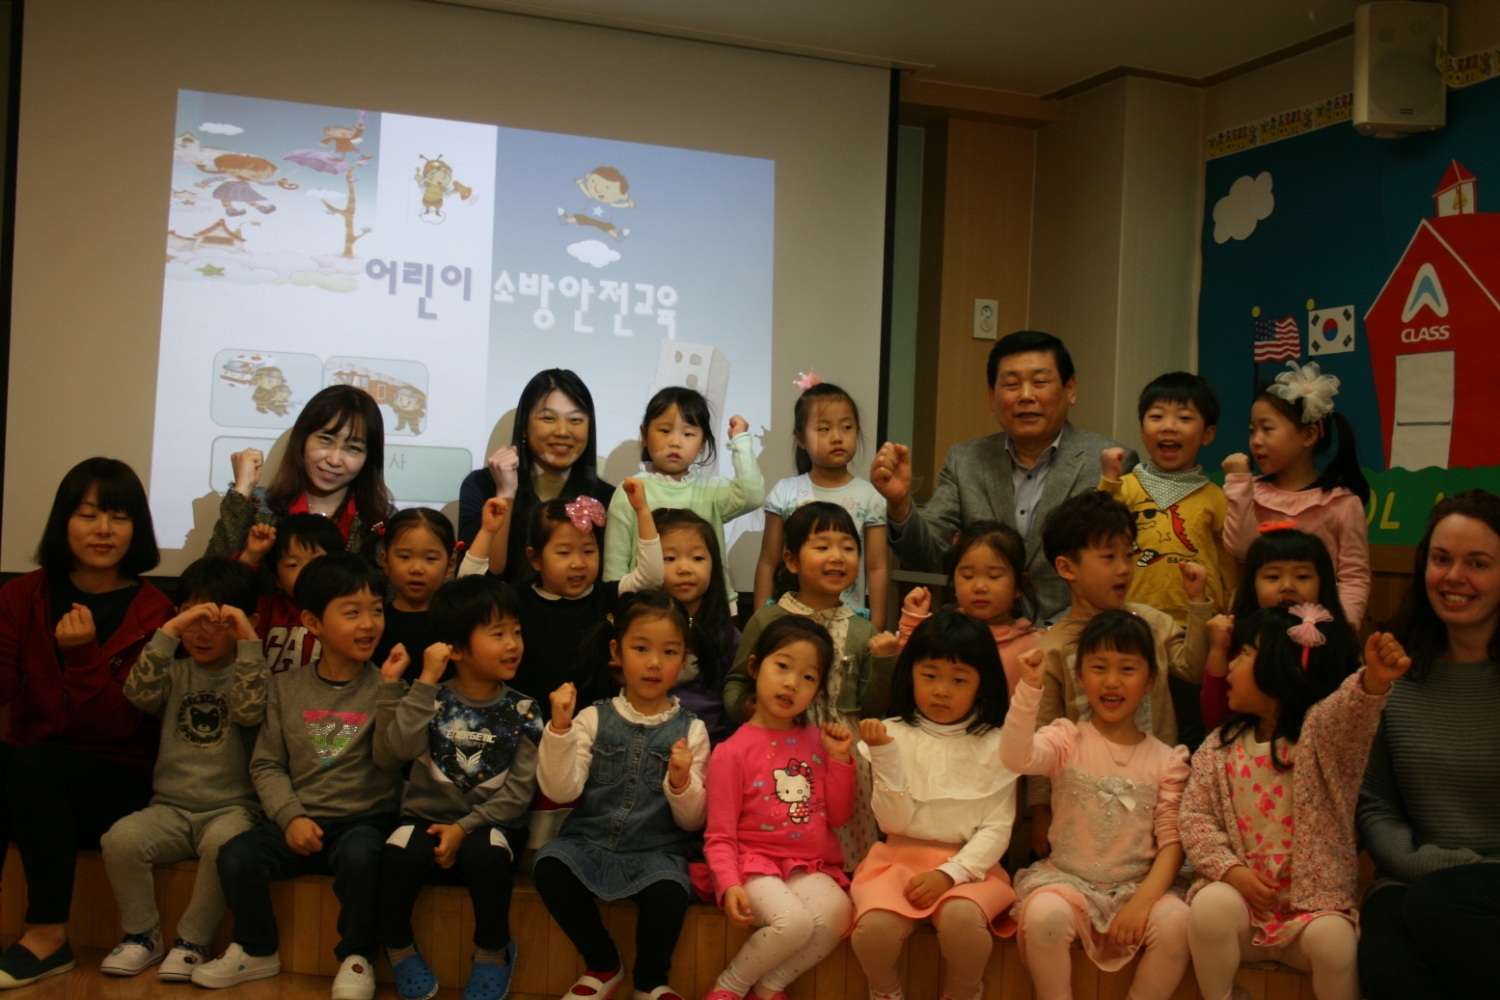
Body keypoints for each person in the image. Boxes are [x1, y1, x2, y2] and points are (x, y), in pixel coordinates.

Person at [195, 553, 404, 1000]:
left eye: (376, 610)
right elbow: (266, 764)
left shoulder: (387, 687)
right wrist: (290, 818)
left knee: (362, 859)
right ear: (312, 622)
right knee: (236, 855)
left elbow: (390, 761)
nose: (369, 624)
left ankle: (358, 956)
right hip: (301, 819)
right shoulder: (285, 686)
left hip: (365, 820)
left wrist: (389, 692)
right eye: (352, 612)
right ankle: (255, 948)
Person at [0, 458, 175, 989]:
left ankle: (48, 936)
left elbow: (119, 725)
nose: (103, 530)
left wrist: (82, 656)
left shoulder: (156, 613)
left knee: (37, 766)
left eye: (119, 517)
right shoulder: (22, 595)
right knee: (23, 765)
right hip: (33, 773)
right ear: (64, 521)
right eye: (88, 514)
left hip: (116, 779)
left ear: (137, 528)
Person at [1181, 607, 1410, 1000]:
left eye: (1243, 655)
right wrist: (1231, 872)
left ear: (1279, 670)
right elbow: (1195, 818)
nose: (1230, 665)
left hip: (1311, 917)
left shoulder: (1322, 736)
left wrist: (1373, 679)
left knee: (1335, 942)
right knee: (1208, 908)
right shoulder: (1218, 747)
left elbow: (1350, 712)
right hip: (1244, 915)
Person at [871, 330, 1136, 625]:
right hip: (981, 636)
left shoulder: (1111, 462)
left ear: (1070, 389)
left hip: (1075, 636)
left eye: (1040, 382)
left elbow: (1121, 568)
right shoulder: (966, 461)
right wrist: (899, 504)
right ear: (992, 396)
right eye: (1011, 385)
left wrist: (1055, 634)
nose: (1025, 396)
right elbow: (922, 553)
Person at [1002, 612, 1191, 1000]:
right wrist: (1029, 690)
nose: (1112, 680)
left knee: (1179, 924)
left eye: (1127, 669)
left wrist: (1142, 903)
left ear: (1150, 679)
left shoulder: (1168, 760)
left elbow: (1173, 842)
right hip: (1066, 884)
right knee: (1045, 918)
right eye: (1099, 667)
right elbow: (1015, 757)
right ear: (1081, 677)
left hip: (1137, 889)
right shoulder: (1066, 738)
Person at [1356, 490, 1500, 1000]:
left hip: (1484, 889)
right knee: (1384, 966)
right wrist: (1420, 864)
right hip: (1412, 877)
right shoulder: (1392, 670)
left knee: (1440, 906)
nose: (1454, 577)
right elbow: (1374, 803)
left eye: (1477, 563)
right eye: (1442, 559)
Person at [532, 591, 710, 1000]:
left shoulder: (693, 730)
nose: (654, 663)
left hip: (655, 852)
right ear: (616, 651)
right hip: (589, 843)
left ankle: (650, 981)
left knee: (671, 890)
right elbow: (560, 790)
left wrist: (681, 782)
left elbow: (692, 821)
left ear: (684, 659)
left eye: (669, 652)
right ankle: (603, 964)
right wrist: (559, 729)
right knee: (549, 865)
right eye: (641, 648)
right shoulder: (592, 716)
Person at [99, 557, 267, 981]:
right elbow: (138, 694)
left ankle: (193, 940)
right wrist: (171, 630)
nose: (203, 632)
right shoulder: (174, 672)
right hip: (170, 808)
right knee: (120, 840)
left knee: (224, 845)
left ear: (247, 624)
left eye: (218, 622)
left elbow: (250, 712)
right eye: (193, 619)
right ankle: (142, 936)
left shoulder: (253, 673)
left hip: (231, 809)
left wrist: (248, 641)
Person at [375, 576, 540, 1000]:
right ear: (457, 648)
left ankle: (493, 952)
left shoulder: (524, 709)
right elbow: (398, 749)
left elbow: (518, 794)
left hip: (491, 826)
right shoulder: (430, 699)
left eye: (516, 631)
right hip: (425, 819)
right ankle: (397, 945)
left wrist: (463, 828)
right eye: (498, 634)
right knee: (397, 852)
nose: (513, 644)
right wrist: (425, 682)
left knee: (485, 854)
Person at [1026, 491, 1209, 856]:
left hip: (1153, 789)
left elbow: (1192, 668)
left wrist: (1198, 604)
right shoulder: (1053, 646)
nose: (1124, 568)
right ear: (1067, 568)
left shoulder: (1151, 623)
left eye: (1129, 554)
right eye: (1109, 557)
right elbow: (1041, 730)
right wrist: (1041, 808)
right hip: (1081, 799)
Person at [850, 612, 1019, 1000]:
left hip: (971, 866)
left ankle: (963, 993)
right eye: (929, 675)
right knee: (874, 930)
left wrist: (950, 874)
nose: (941, 690)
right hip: (895, 861)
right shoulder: (891, 732)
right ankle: (885, 993)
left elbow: (997, 828)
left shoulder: (998, 745)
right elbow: (893, 822)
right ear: (910, 674)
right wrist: (885, 755)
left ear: (982, 684)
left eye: (958, 680)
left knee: (962, 921)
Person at [722, 501, 899, 867]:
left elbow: (872, 707)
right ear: (791, 560)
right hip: (777, 749)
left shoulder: (863, 629)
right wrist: (752, 709)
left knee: (846, 849)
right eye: (822, 546)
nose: (837, 557)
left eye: (848, 547)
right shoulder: (767, 620)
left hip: (842, 752)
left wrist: (885, 662)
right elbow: (737, 682)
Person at [703, 617, 856, 1000]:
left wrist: (839, 760)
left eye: (808, 677)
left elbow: (838, 817)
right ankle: (728, 987)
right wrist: (729, 883)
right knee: (794, 923)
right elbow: (719, 835)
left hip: (808, 866)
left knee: (838, 914)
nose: (791, 683)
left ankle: (769, 987)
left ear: (817, 690)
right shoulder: (731, 752)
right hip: (752, 866)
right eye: (783, 666)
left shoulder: (818, 742)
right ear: (755, 667)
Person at [1102, 372, 1236, 746]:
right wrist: (1110, 480)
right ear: (1142, 429)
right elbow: (1098, 531)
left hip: (1192, 627)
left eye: (1184, 418)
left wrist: (1226, 613)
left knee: (1187, 723)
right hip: (1131, 619)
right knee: (1131, 719)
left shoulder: (1215, 497)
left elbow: (1227, 562)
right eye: (1157, 416)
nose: (1169, 427)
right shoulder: (1126, 486)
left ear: (1208, 434)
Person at [460, 479, 662, 720]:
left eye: (588, 551)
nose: (578, 563)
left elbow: (652, 577)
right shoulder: (517, 599)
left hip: (594, 725)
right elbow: (467, 589)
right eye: (564, 553)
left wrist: (642, 511)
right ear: (535, 558)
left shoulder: (607, 596)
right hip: (526, 722)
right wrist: (487, 532)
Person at [1221, 360, 1370, 626]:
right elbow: (1241, 548)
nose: (1256, 441)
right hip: (1259, 627)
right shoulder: (1250, 491)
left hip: (1318, 630)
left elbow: (1354, 578)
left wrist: (1342, 629)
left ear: (1309, 435)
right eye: (1252, 431)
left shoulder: (1341, 503)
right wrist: (1238, 483)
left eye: (1267, 429)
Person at [603, 386, 762, 601]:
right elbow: (615, 567)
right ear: (645, 435)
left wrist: (740, 441)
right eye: (665, 430)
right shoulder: (631, 491)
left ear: (702, 443)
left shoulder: (712, 491)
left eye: (688, 434)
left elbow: (752, 495)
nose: (675, 442)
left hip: (708, 610)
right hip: (648, 611)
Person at [456, 370, 616, 582]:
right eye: (548, 418)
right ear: (523, 426)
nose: (563, 431)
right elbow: (482, 578)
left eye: (576, 420)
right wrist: (505, 492)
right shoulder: (481, 485)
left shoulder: (607, 498)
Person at [755, 374, 888, 628]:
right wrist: (761, 622)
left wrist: (877, 628)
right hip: (791, 623)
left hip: (847, 623)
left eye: (846, 427)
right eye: (824, 429)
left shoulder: (870, 496)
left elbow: (877, 568)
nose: (837, 437)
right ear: (801, 438)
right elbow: (768, 562)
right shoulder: (785, 492)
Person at [208, 384, 394, 563]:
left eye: (353, 448)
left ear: (369, 457)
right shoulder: (258, 508)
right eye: (326, 440)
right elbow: (210, 579)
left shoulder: (384, 521)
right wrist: (242, 489)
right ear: (302, 439)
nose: (334, 460)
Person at [1199, 527, 1352, 731]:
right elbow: (1216, 720)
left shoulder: (1332, 642)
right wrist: (1218, 651)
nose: (1287, 586)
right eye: (1273, 576)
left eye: (1302, 576)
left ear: (1323, 583)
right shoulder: (1241, 639)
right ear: (1252, 585)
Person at [896, 520, 1039, 696]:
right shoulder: (943, 632)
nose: (979, 587)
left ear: (1019, 585)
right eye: (968, 576)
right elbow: (909, 678)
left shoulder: (1032, 646)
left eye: (994, 576)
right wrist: (913, 625)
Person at [657, 508, 742, 745]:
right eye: (669, 558)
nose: (685, 568)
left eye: (697, 558)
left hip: (711, 748)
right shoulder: (638, 631)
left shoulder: (727, 637)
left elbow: (735, 707)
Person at [241, 514, 346, 674]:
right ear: (277, 579)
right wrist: (251, 556)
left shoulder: (347, 613)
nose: (305, 572)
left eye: (315, 561)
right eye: (292, 565)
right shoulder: (266, 610)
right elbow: (228, 595)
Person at [371, 507, 461, 678]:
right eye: (405, 557)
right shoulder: (374, 622)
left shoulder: (457, 622)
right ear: (385, 561)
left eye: (430, 558)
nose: (416, 569)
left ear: (450, 566)